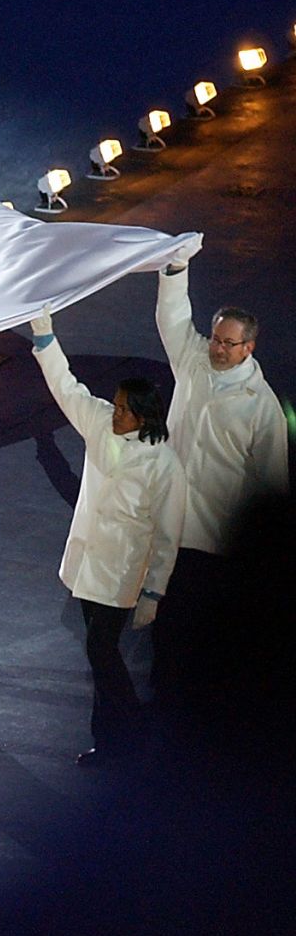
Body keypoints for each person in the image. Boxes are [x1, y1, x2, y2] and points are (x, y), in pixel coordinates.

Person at [29, 309, 186, 764]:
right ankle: (111, 740)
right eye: (114, 406)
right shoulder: (101, 425)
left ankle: (133, 729)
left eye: (121, 409)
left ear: (141, 416)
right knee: (99, 656)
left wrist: (154, 592)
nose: (112, 413)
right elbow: (67, 388)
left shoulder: (164, 465)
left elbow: (167, 533)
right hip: (87, 563)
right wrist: (44, 338)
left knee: (101, 650)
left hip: (122, 572)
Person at [151, 237, 288, 713]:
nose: (219, 349)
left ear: (249, 347)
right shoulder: (193, 363)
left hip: (212, 540)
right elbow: (171, 322)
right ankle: (163, 709)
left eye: (230, 344)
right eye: (216, 339)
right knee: (160, 629)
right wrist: (176, 271)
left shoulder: (261, 406)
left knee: (193, 628)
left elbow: (272, 482)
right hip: (167, 523)